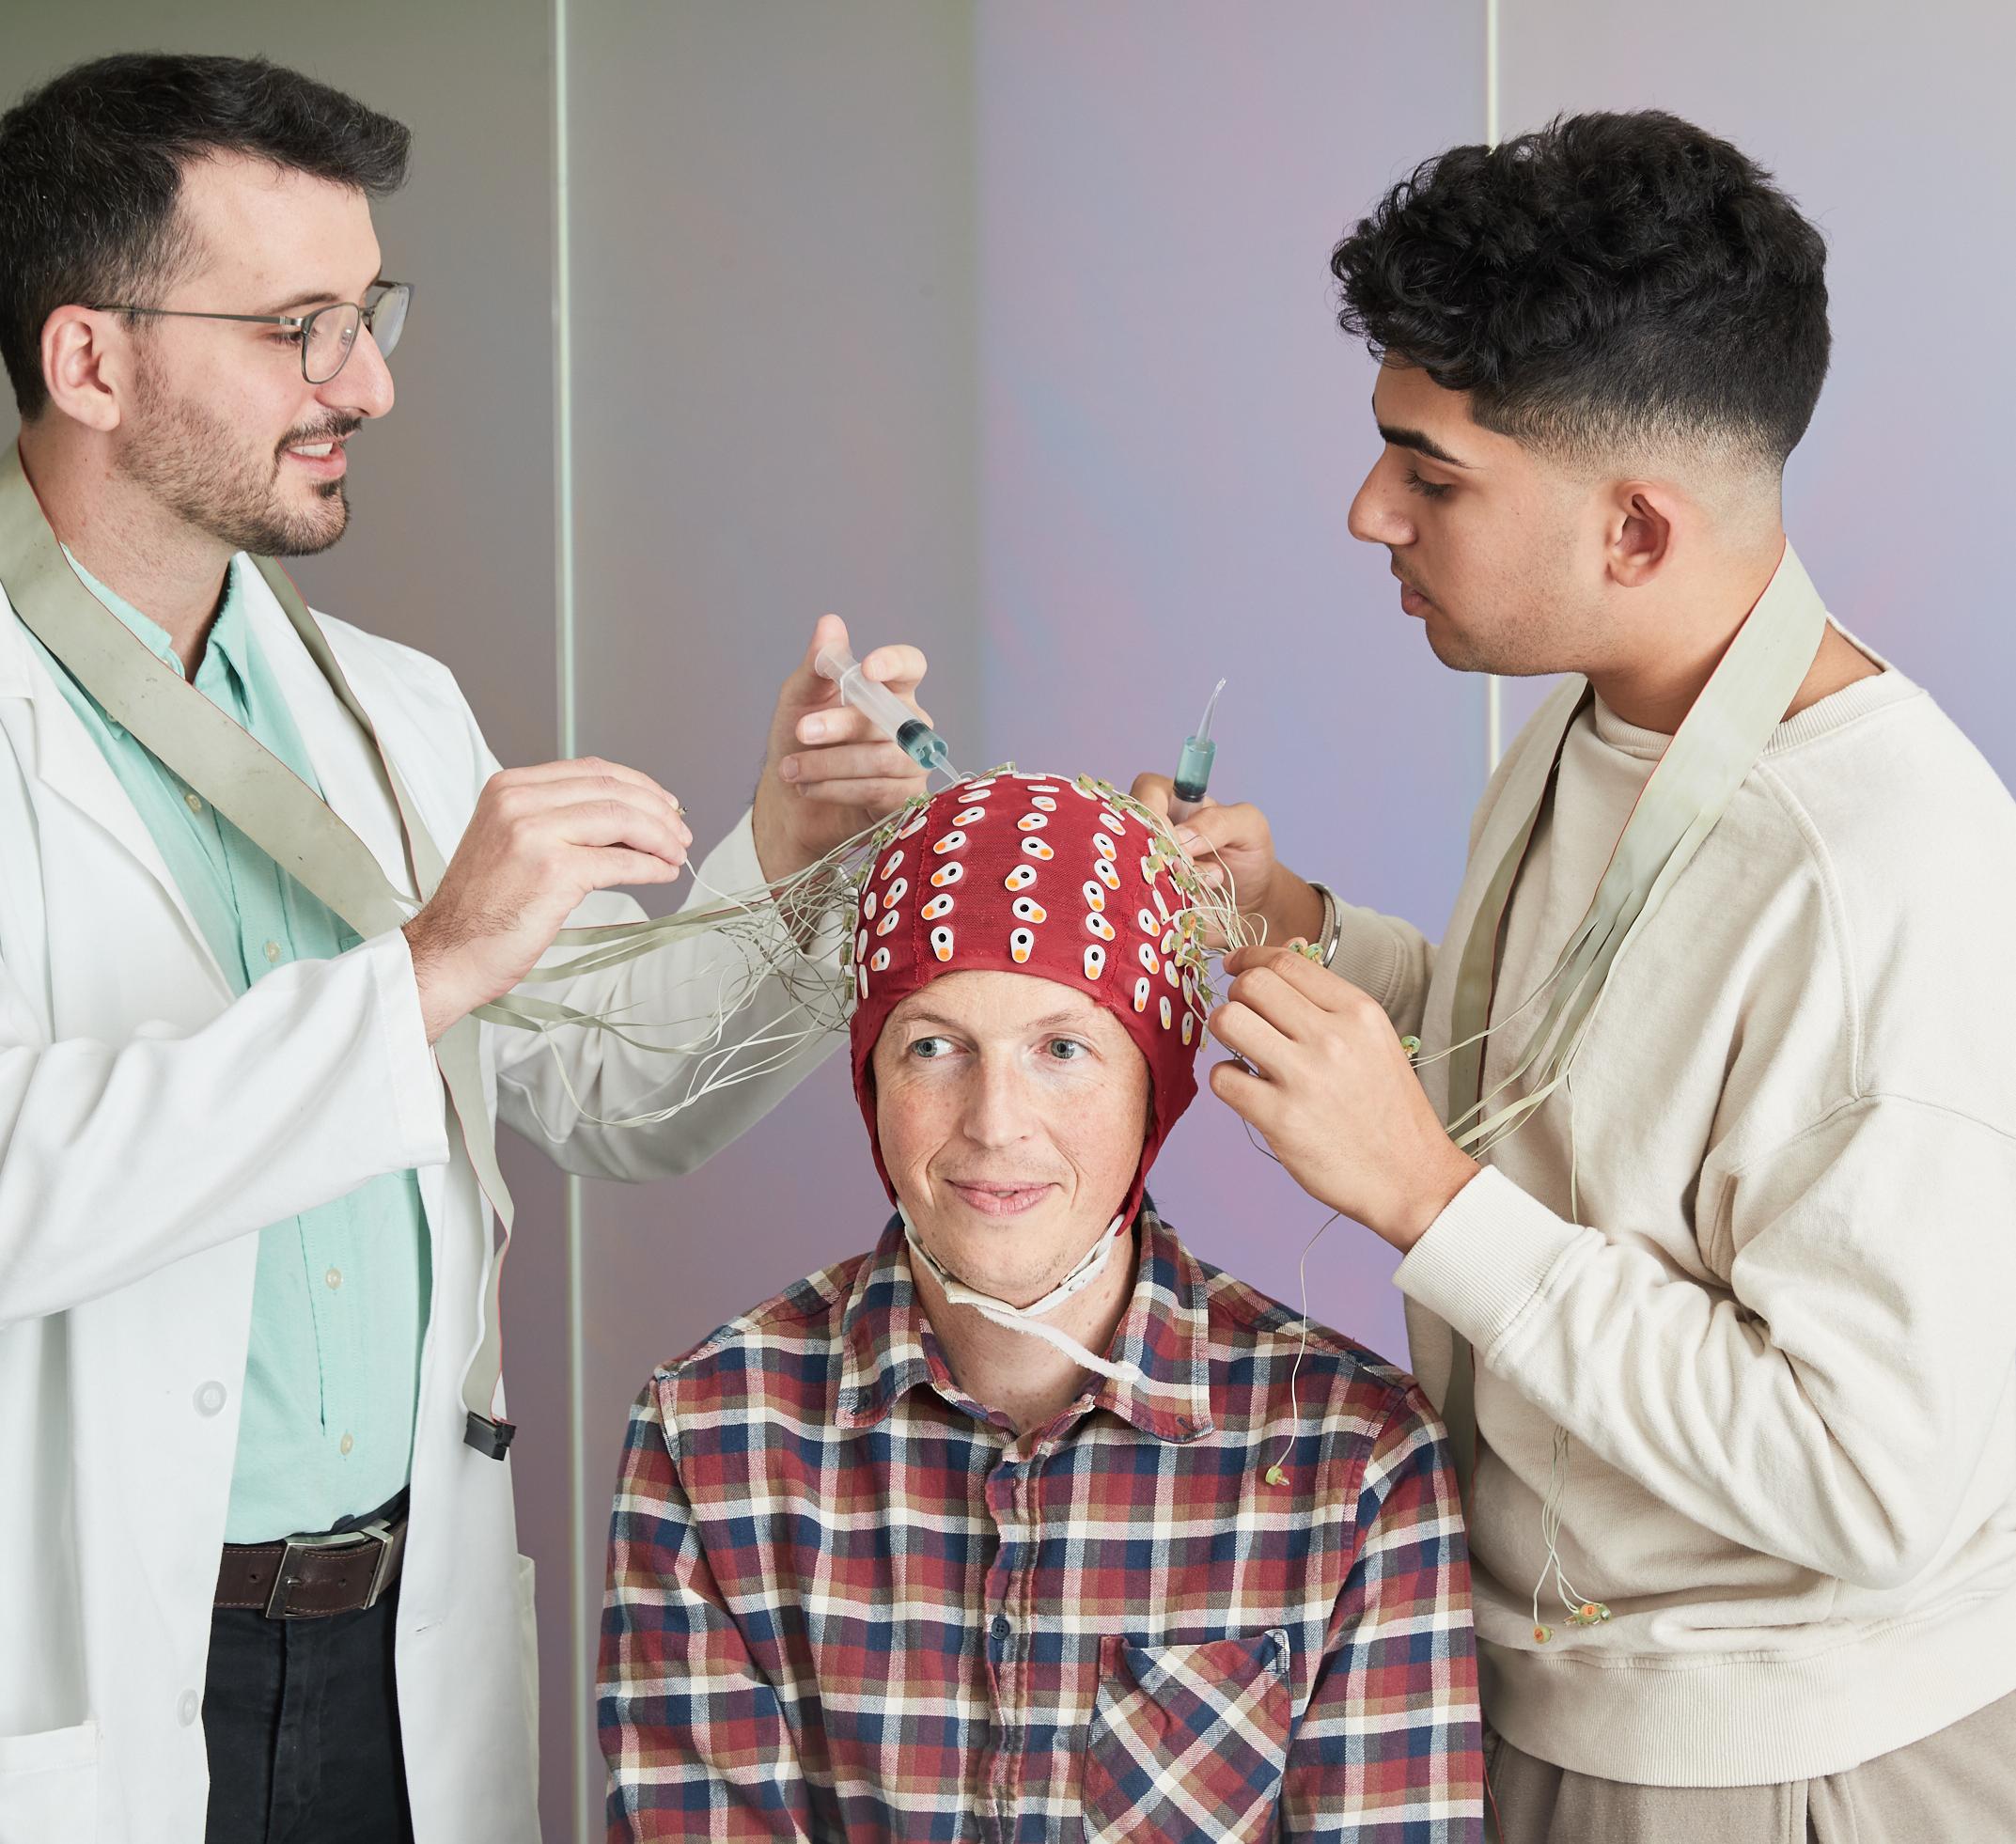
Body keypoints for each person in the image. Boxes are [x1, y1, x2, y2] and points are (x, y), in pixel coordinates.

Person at [0, 53, 931, 1844]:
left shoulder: (394, 712)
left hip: (386, 1655)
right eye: (299, 327)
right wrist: (425, 968)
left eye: (370, 312)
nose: (371, 382)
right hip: (101, 1666)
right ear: (90, 359)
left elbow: (618, 1092)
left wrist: (790, 867)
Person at [1141, 112, 2016, 1840]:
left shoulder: (1886, 874)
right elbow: (1582, 1072)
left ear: (1634, 529)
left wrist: (1418, 1191)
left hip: (1778, 1767)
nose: (1365, 509)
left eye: (1433, 473)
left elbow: (1868, 1480)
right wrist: (1312, 932)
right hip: (1547, 1691)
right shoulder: (1607, 706)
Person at [599, 771, 1484, 1841]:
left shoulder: (1351, 1457)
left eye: (1062, 1049)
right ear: (870, 1077)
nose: (995, 1123)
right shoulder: (711, 1434)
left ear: (1155, 1085)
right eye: (935, 1046)